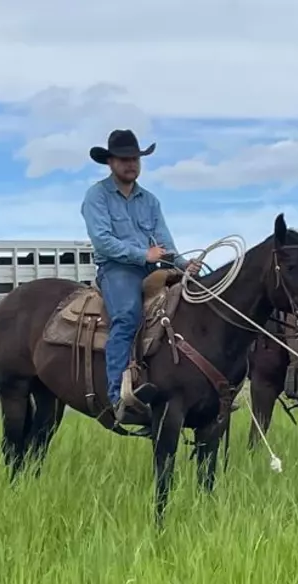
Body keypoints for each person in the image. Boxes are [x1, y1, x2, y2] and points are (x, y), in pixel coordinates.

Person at [80, 128, 200, 424]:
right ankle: (117, 397)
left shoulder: (150, 200)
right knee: (127, 317)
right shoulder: (97, 196)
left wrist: (185, 265)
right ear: (110, 162)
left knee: (191, 305)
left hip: (152, 267)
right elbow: (103, 240)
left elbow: (165, 243)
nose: (130, 164)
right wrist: (142, 255)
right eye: (123, 159)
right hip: (117, 269)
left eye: (134, 158)